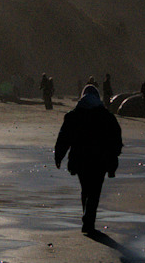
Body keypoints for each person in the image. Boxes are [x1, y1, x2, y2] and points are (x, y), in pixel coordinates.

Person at [53, 85, 123, 236]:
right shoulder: (107, 116)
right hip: (101, 160)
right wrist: (114, 155)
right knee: (95, 190)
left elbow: (64, 138)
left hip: (80, 159)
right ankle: (89, 220)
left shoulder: (74, 115)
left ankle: (87, 217)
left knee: (85, 188)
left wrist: (59, 156)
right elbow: (116, 139)